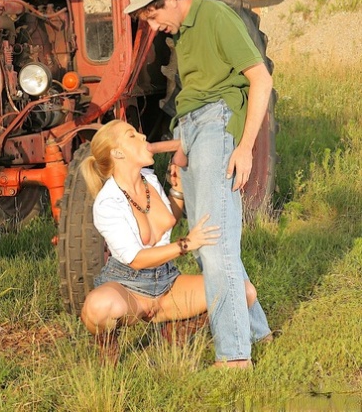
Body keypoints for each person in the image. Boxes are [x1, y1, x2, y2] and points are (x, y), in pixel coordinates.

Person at [124, 0, 273, 368]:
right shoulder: (182, 34)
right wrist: (180, 148)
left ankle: (234, 356)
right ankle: (259, 333)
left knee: (211, 243)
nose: (155, 28)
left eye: (154, 18)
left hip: (218, 126)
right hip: (191, 133)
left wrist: (245, 146)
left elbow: (260, 79)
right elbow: (189, 97)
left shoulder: (215, 16)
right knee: (214, 243)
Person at [80, 119, 258, 360]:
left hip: (166, 281)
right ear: (117, 152)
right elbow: (136, 260)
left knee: (244, 292)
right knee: (98, 307)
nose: (143, 137)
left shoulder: (148, 179)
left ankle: (177, 329)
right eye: (131, 135)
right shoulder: (107, 202)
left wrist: (178, 190)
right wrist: (186, 244)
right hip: (128, 287)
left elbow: (166, 222)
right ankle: (107, 344)